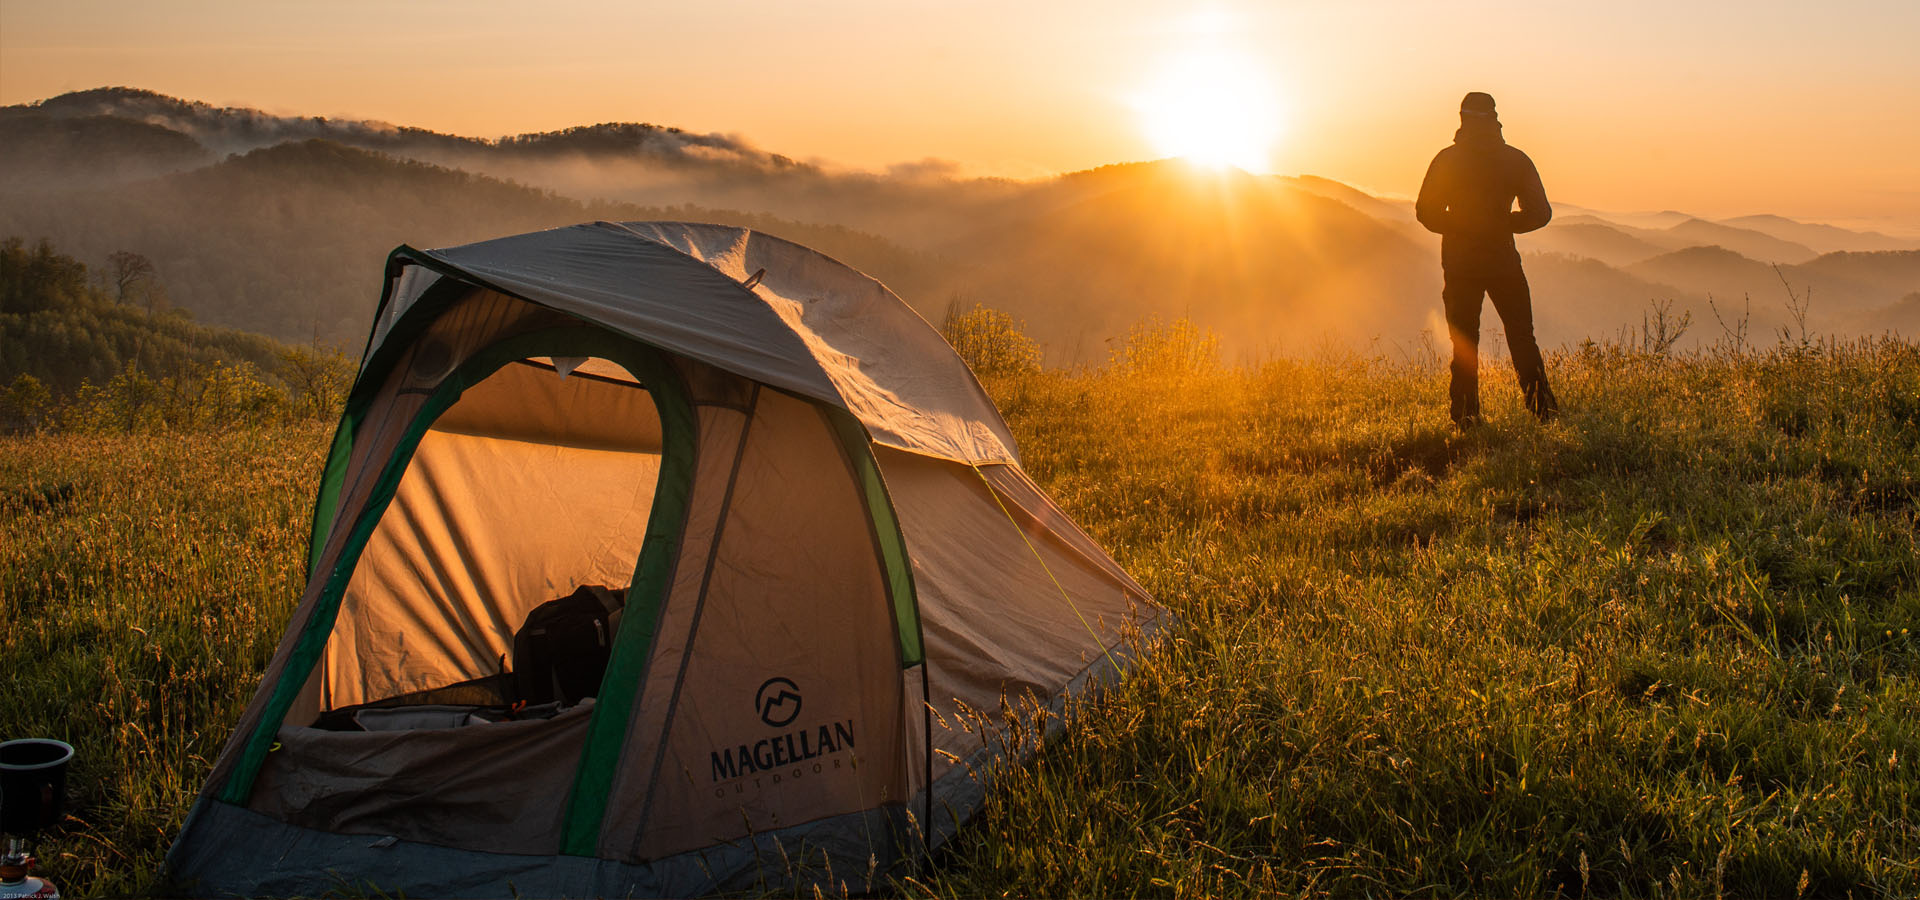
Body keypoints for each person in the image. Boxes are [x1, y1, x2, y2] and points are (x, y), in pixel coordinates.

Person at [1416, 91, 1558, 428]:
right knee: (1522, 337)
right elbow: (1541, 213)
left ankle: (1466, 417)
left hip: (1460, 262)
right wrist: (1504, 223)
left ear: (1462, 119)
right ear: (1494, 118)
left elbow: (1425, 212)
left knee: (1464, 341)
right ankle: (1544, 412)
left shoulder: (1447, 160)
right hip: (1503, 260)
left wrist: (1461, 225)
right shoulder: (1515, 159)